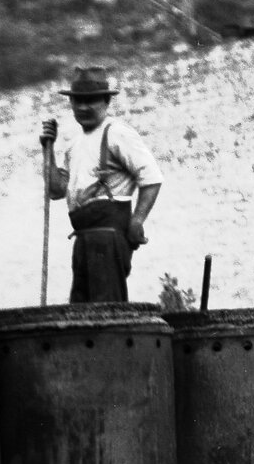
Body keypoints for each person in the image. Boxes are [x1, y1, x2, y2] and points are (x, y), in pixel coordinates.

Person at [40, 66, 163, 304]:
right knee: (80, 310)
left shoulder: (117, 133)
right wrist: (48, 150)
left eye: (91, 101)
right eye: (78, 102)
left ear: (106, 101)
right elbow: (56, 190)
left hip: (108, 235)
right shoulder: (74, 142)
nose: (83, 108)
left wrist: (137, 221)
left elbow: (152, 178)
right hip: (82, 236)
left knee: (106, 306)